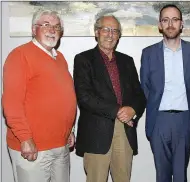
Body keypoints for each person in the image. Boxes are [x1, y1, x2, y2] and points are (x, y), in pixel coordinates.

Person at [2, 9, 76, 182]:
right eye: (46, 25)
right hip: (34, 148)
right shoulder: (19, 55)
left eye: (56, 26)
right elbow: (11, 102)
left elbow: (64, 97)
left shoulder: (60, 58)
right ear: (33, 29)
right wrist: (24, 138)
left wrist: (69, 130)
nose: (52, 30)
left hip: (61, 145)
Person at [73, 10, 146, 182]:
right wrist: (119, 111)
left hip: (125, 130)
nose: (110, 35)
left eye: (115, 31)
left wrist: (133, 110)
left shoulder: (127, 61)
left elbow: (139, 95)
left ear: (119, 35)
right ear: (96, 32)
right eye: (106, 29)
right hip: (96, 132)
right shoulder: (83, 59)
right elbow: (84, 96)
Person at [140, 4, 190, 182]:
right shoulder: (148, 53)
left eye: (175, 19)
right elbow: (145, 87)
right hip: (158, 120)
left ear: (181, 24)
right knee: (162, 176)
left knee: (181, 175)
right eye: (165, 20)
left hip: (184, 120)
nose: (170, 24)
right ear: (160, 25)